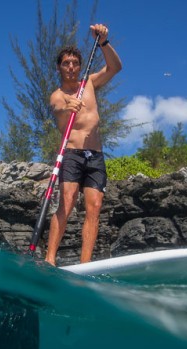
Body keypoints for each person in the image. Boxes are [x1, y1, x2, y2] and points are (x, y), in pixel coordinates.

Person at [45, 24, 122, 266]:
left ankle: (85, 264)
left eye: (75, 63)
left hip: (96, 156)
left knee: (95, 207)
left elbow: (115, 67)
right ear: (59, 67)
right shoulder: (57, 95)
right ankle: (50, 260)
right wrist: (68, 108)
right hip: (72, 154)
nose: (71, 67)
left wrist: (104, 43)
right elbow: (57, 108)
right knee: (66, 203)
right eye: (66, 63)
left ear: (79, 66)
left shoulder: (88, 84)